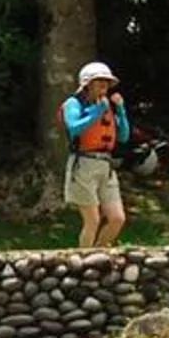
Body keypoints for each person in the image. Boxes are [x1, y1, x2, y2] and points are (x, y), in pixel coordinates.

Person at [64, 61, 132, 250]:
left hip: (105, 165)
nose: (104, 84)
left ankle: (98, 254)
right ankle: (84, 259)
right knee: (92, 220)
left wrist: (120, 110)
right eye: (99, 80)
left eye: (106, 81)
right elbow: (74, 128)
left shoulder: (108, 105)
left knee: (117, 218)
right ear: (87, 84)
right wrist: (97, 111)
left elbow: (124, 136)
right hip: (83, 164)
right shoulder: (74, 104)